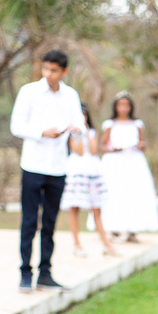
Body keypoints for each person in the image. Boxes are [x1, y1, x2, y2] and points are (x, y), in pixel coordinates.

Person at [10, 48, 84, 293]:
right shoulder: (28, 92)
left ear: (65, 71)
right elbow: (16, 126)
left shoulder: (71, 95)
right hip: (33, 165)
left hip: (58, 167)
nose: (49, 74)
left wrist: (74, 127)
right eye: (46, 69)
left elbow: (80, 122)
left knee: (50, 223)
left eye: (54, 70)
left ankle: (45, 273)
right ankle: (24, 273)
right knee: (30, 221)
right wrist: (42, 132)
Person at [99, 92, 158, 242]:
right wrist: (113, 149)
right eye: (120, 105)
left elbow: (142, 143)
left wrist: (140, 145)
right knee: (114, 193)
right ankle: (113, 228)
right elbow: (102, 145)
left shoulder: (137, 124)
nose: (123, 108)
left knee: (133, 194)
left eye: (126, 105)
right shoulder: (110, 124)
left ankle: (133, 230)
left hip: (133, 162)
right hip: (115, 163)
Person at [63, 105, 118, 258]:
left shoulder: (92, 132)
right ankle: (76, 243)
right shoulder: (71, 133)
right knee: (75, 208)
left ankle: (106, 243)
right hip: (77, 171)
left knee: (96, 208)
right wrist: (77, 133)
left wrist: (86, 132)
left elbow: (93, 150)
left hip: (93, 171)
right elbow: (79, 151)